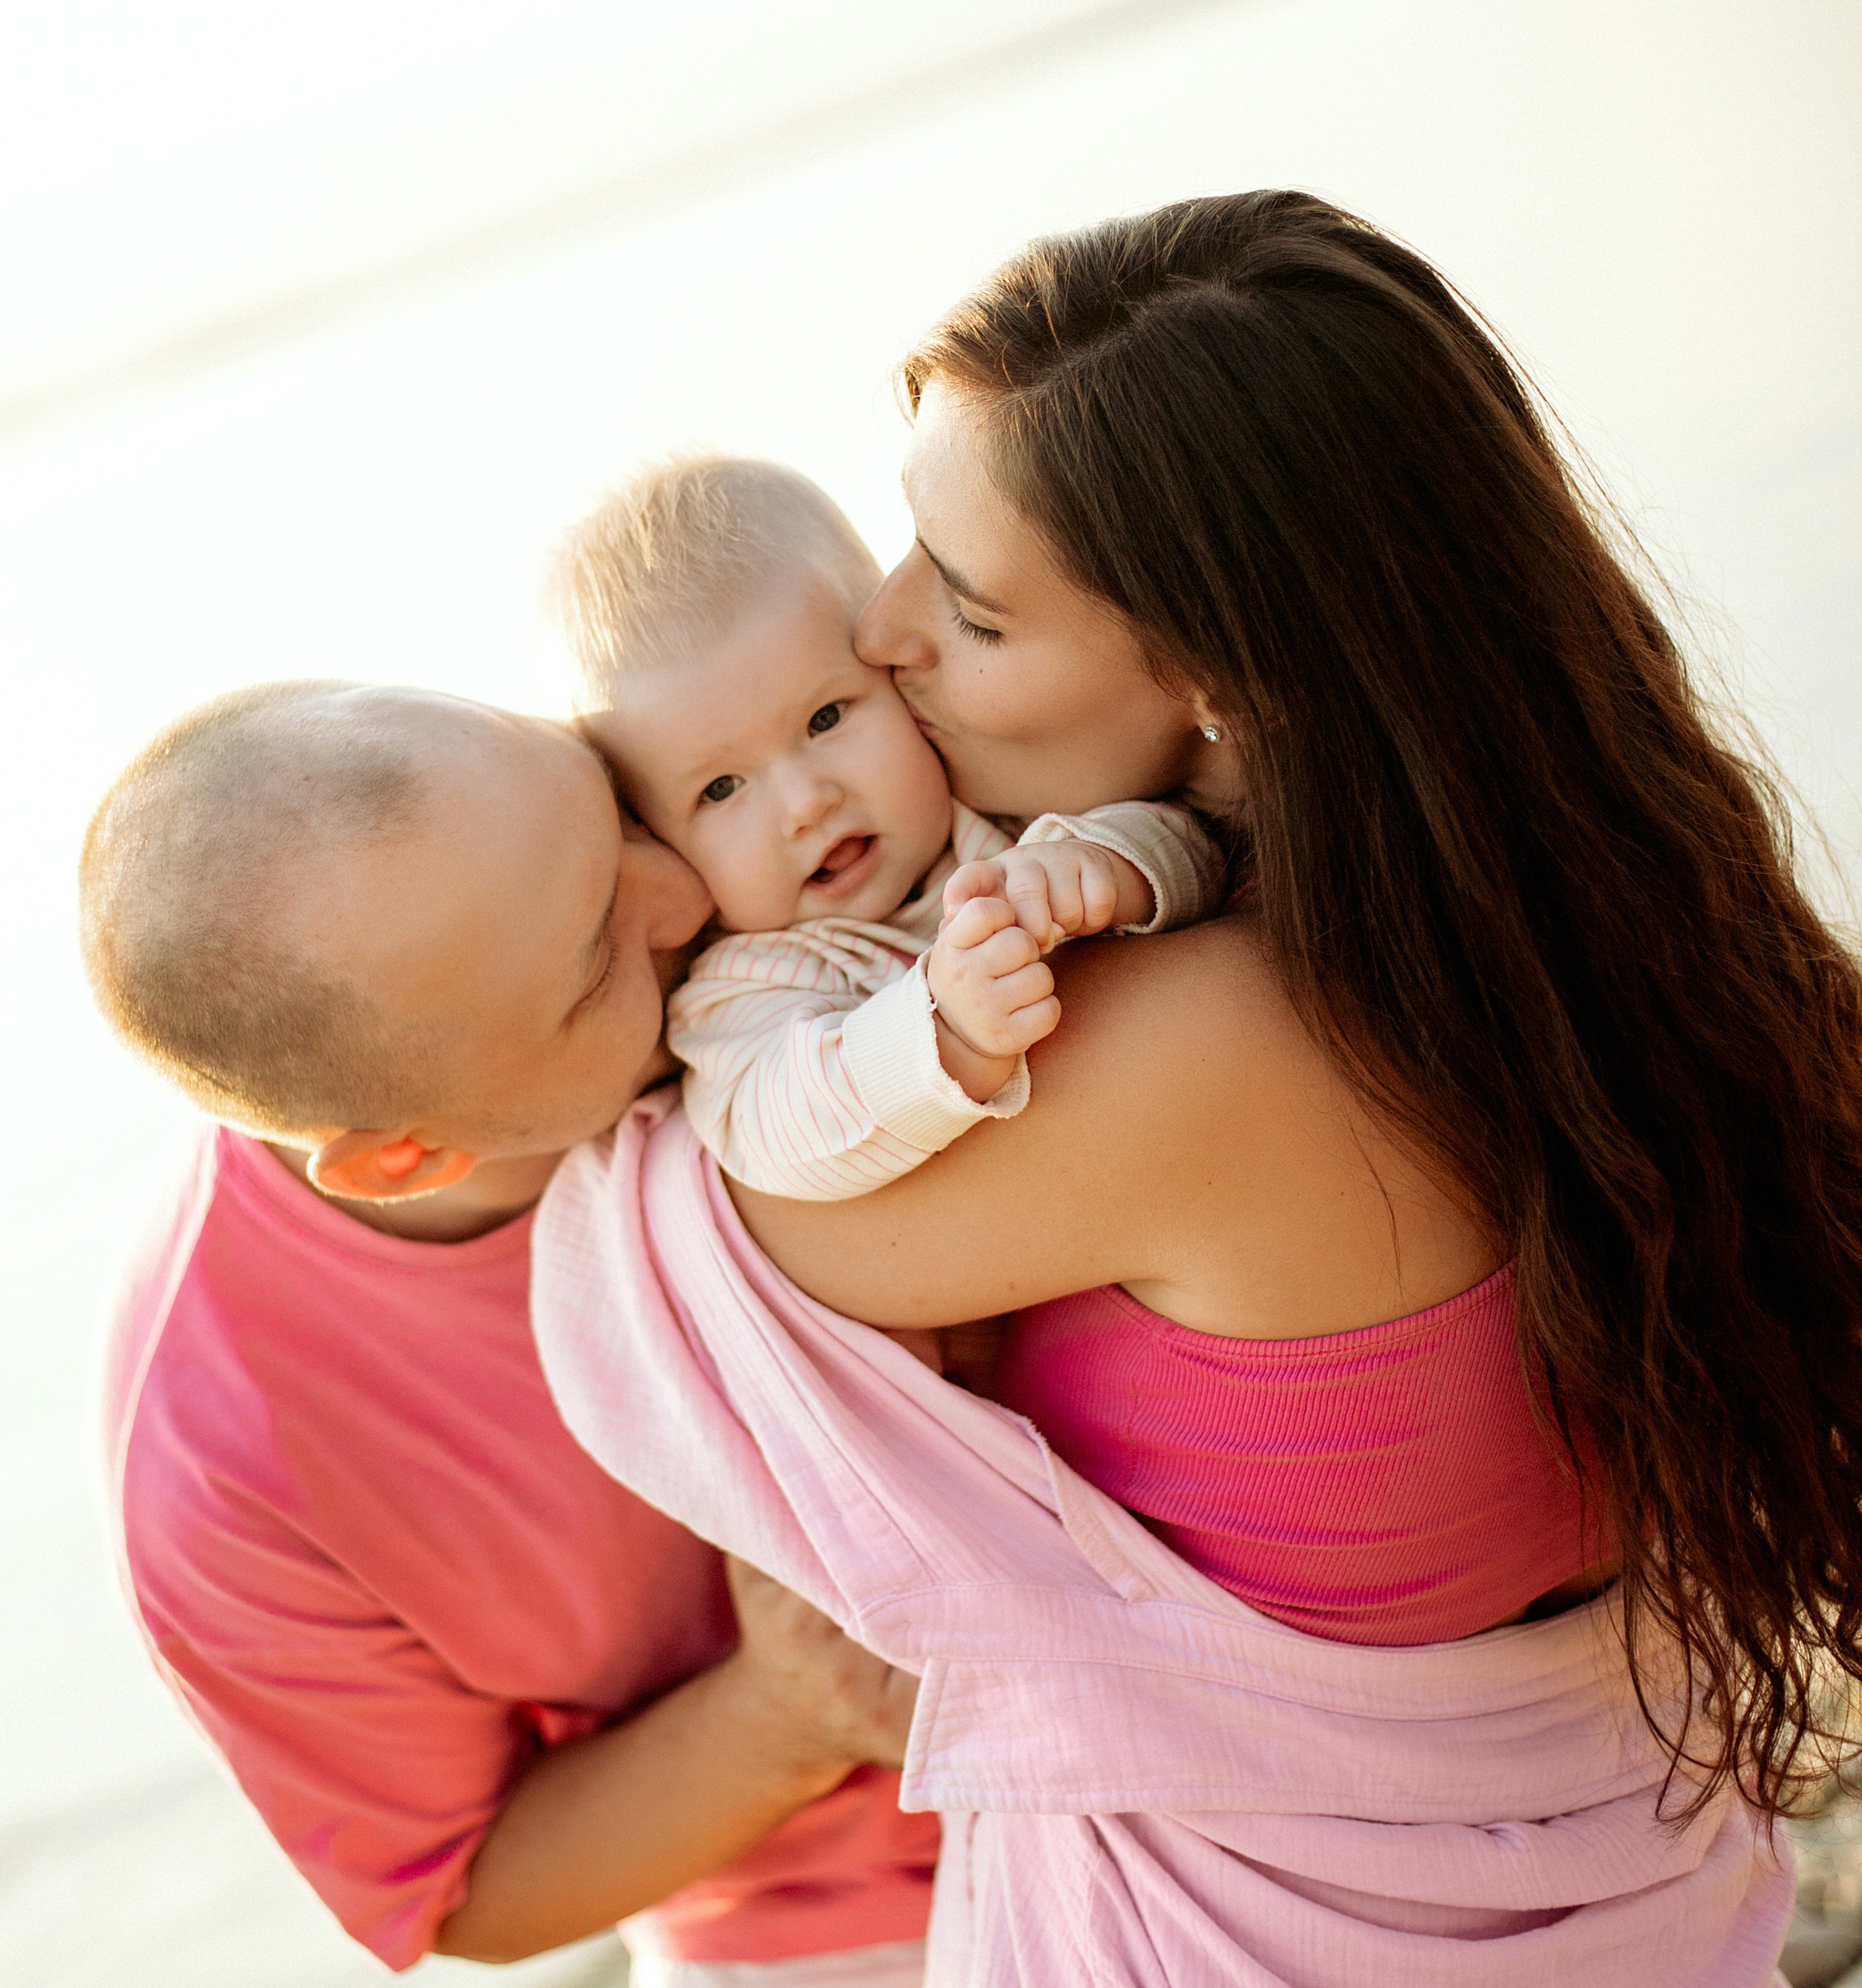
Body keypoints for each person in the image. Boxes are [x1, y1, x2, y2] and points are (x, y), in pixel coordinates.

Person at [525, 190, 1862, 1983]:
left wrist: (610, 894)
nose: (882, 632)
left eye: (969, 610)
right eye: (903, 543)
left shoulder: (1187, 1049)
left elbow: (678, 1244)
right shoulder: (1553, 931)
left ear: (1221, 676)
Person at [82, 692, 939, 1984]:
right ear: (406, 1157)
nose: (686, 894)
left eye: (611, 809)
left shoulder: (654, 843)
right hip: (850, 1930)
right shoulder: (216, 1472)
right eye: (597, 964)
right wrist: (783, 1714)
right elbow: (468, 1894)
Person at [557, 454, 1221, 1201]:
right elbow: (774, 1127)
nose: (807, 803)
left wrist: (1108, 866)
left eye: (826, 718)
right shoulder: (746, 983)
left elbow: (1201, 843)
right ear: (655, 835)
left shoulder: (1004, 814)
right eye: (721, 789)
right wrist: (944, 1032)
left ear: (895, 675)